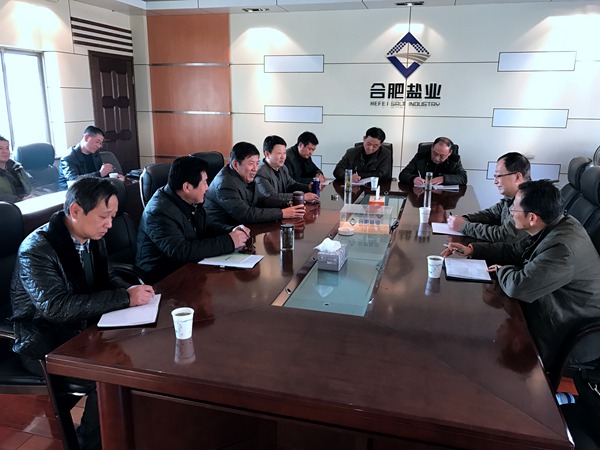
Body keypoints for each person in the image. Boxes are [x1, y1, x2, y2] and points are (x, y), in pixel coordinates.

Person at [10, 177, 154, 450]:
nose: (109, 224)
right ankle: (91, 443)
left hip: (83, 328)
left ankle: (127, 432)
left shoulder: (91, 236)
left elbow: (106, 278)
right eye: (103, 216)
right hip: (44, 340)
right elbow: (55, 308)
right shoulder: (37, 250)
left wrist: (131, 291)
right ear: (75, 210)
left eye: (112, 216)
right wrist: (124, 298)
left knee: (144, 351)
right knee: (110, 374)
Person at [442, 180, 600, 370]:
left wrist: (501, 270)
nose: (510, 213)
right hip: (552, 307)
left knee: (485, 342)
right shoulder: (556, 223)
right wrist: (472, 249)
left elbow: (519, 287)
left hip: (568, 331)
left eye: (514, 210)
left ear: (532, 217)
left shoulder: (562, 248)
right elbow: (515, 251)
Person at [136, 156, 250, 284]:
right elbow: (181, 251)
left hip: (188, 268)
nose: (207, 187)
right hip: (162, 279)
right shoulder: (158, 212)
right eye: (204, 182)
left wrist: (232, 231)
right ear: (187, 187)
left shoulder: (189, 200)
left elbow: (208, 226)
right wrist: (229, 241)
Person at [204, 142, 305, 226]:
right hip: (222, 232)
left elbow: (262, 200)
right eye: (251, 164)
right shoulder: (224, 184)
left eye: (257, 163)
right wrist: (282, 213)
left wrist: (288, 204)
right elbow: (246, 214)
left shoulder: (244, 175)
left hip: (242, 228)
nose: (255, 169)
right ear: (235, 164)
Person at [447, 152, 530, 242]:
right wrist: (467, 219)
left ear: (517, 177)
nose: (495, 181)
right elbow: (492, 214)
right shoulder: (512, 196)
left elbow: (506, 235)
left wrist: (464, 226)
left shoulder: (528, 202)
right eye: (495, 176)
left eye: (498, 176)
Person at [256, 135, 319, 204]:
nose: (283, 157)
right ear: (267, 154)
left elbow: (291, 184)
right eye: (279, 153)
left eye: (284, 153)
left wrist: (308, 187)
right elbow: (273, 197)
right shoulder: (260, 172)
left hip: (282, 206)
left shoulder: (282, 167)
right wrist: (302, 197)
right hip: (268, 209)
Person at [58, 126, 122, 190]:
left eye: (100, 143)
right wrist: (99, 174)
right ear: (86, 138)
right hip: (73, 191)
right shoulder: (68, 157)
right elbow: (74, 180)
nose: (99, 146)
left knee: (117, 186)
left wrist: (113, 176)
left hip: (92, 187)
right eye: (97, 142)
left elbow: (101, 174)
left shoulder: (95, 154)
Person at [398, 137, 467, 186]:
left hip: (445, 197)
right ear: (432, 148)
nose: (437, 158)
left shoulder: (454, 160)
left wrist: (444, 179)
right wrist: (413, 179)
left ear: (449, 153)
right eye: (434, 153)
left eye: (442, 156)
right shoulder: (420, 157)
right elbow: (403, 174)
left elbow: (463, 178)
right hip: (421, 195)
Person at [0, 135, 34, 202]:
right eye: (0, 148)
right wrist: (20, 200)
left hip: (29, 202)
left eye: (7, 148)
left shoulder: (17, 167)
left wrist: (35, 195)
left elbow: (32, 183)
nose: (5, 151)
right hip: (9, 206)